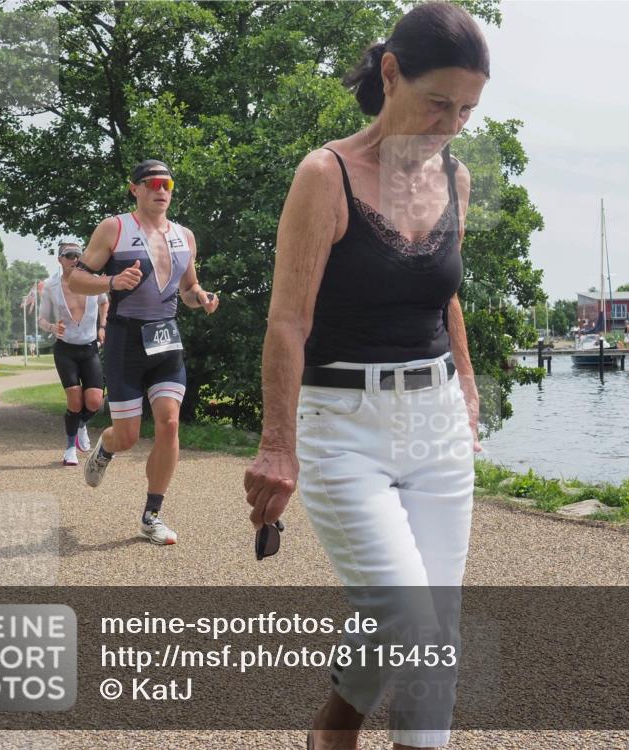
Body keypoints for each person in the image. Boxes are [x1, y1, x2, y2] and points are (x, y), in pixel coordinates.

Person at [243, 4, 488, 749]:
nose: (451, 123)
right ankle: (335, 729)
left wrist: (469, 393)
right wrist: (276, 446)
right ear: (391, 75)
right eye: (438, 102)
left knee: (432, 634)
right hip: (343, 427)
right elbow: (288, 320)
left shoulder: (458, 178)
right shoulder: (326, 176)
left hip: (437, 421)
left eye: (468, 110)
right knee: (404, 612)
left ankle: (337, 733)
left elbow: (444, 295)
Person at [69, 159, 219, 545]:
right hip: (125, 341)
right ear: (134, 188)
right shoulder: (115, 228)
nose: (161, 190)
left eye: (167, 183)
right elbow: (77, 278)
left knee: (169, 423)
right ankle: (106, 447)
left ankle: (152, 515)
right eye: (152, 183)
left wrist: (200, 297)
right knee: (129, 436)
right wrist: (113, 280)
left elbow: (188, 289)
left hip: (166, 339)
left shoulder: (185, 236)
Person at [38, 241, 109, 466]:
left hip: (89, 347)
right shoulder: (51, 286)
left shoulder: (94, 282)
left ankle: (80, 425)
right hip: (65, 349)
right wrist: (52, 328)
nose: (74, 259)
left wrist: (102, 326)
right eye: (68, 255)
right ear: (60, 259)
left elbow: (104, 302)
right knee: (75, 401)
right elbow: (41, 319)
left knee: (95, 400)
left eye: (78, 255)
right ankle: (70, 449)